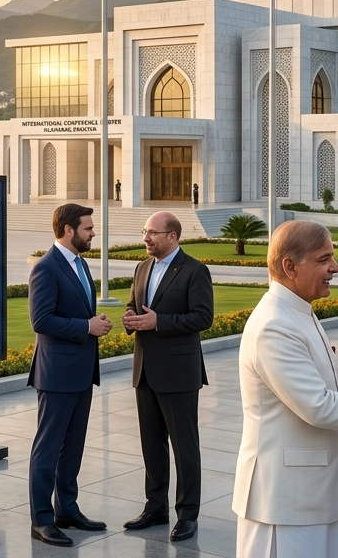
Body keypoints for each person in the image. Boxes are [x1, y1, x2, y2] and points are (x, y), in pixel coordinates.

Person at [232, 220, 338, 558]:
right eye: (324, 260)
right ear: (289, 266)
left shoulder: (296, 311)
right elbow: (318, 406)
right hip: (285, 500)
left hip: (311, 492)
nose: (336, 268)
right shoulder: (275, 325)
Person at [121, 211, 214, 542]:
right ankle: (155, 507)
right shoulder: (141, 267)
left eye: (152, 233)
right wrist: (131, 317)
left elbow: (203, 317)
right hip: (145, 369)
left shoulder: (194, 271)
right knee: (151, 444)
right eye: (145, 231)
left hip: (178, 372)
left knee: (184, 447)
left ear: (172, 237)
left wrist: (159, 322)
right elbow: (135, 305)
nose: (146, 238)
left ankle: (188, 515)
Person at [26, 203, 113, 547]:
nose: (93, 233)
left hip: (80, 372)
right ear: (68, 230)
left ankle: (67, 509)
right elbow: (41, 320)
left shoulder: (80, 264)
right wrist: (86, 327)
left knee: (72, 449)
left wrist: (93, 327)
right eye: (88, 228)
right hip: (56, 374)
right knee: (47, 450)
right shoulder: (46, 268)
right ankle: (42, 520)